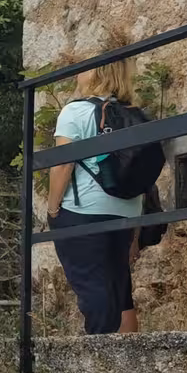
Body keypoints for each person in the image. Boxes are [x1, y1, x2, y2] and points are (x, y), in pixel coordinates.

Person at [48, 57, 144, 335]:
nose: (78, 73)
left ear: (98, 73)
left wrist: (53, 209)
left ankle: (101, 365)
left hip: (83, 212)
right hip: (126, 212)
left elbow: (63, 164)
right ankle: (130, 359)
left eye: (85, 67)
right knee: (119, 290)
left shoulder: (76, 111)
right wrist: (135, 232)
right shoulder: (133, 113)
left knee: (93, 288)